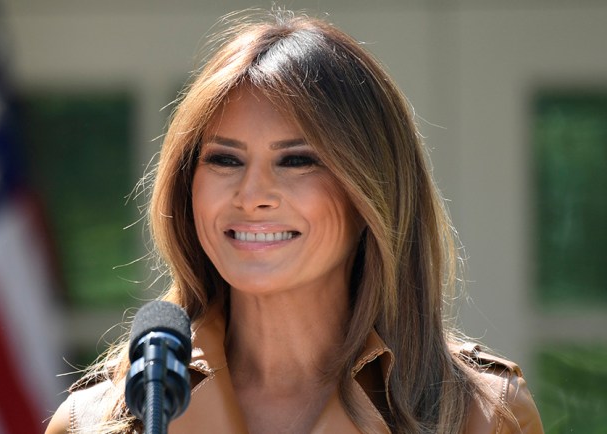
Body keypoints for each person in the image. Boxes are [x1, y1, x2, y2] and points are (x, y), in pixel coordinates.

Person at [46, 10, 543, 434]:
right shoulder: (98, 421)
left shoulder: (481, 415)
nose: (252, 195)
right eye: (224, 159)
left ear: (373, 190)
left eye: (298, 160)